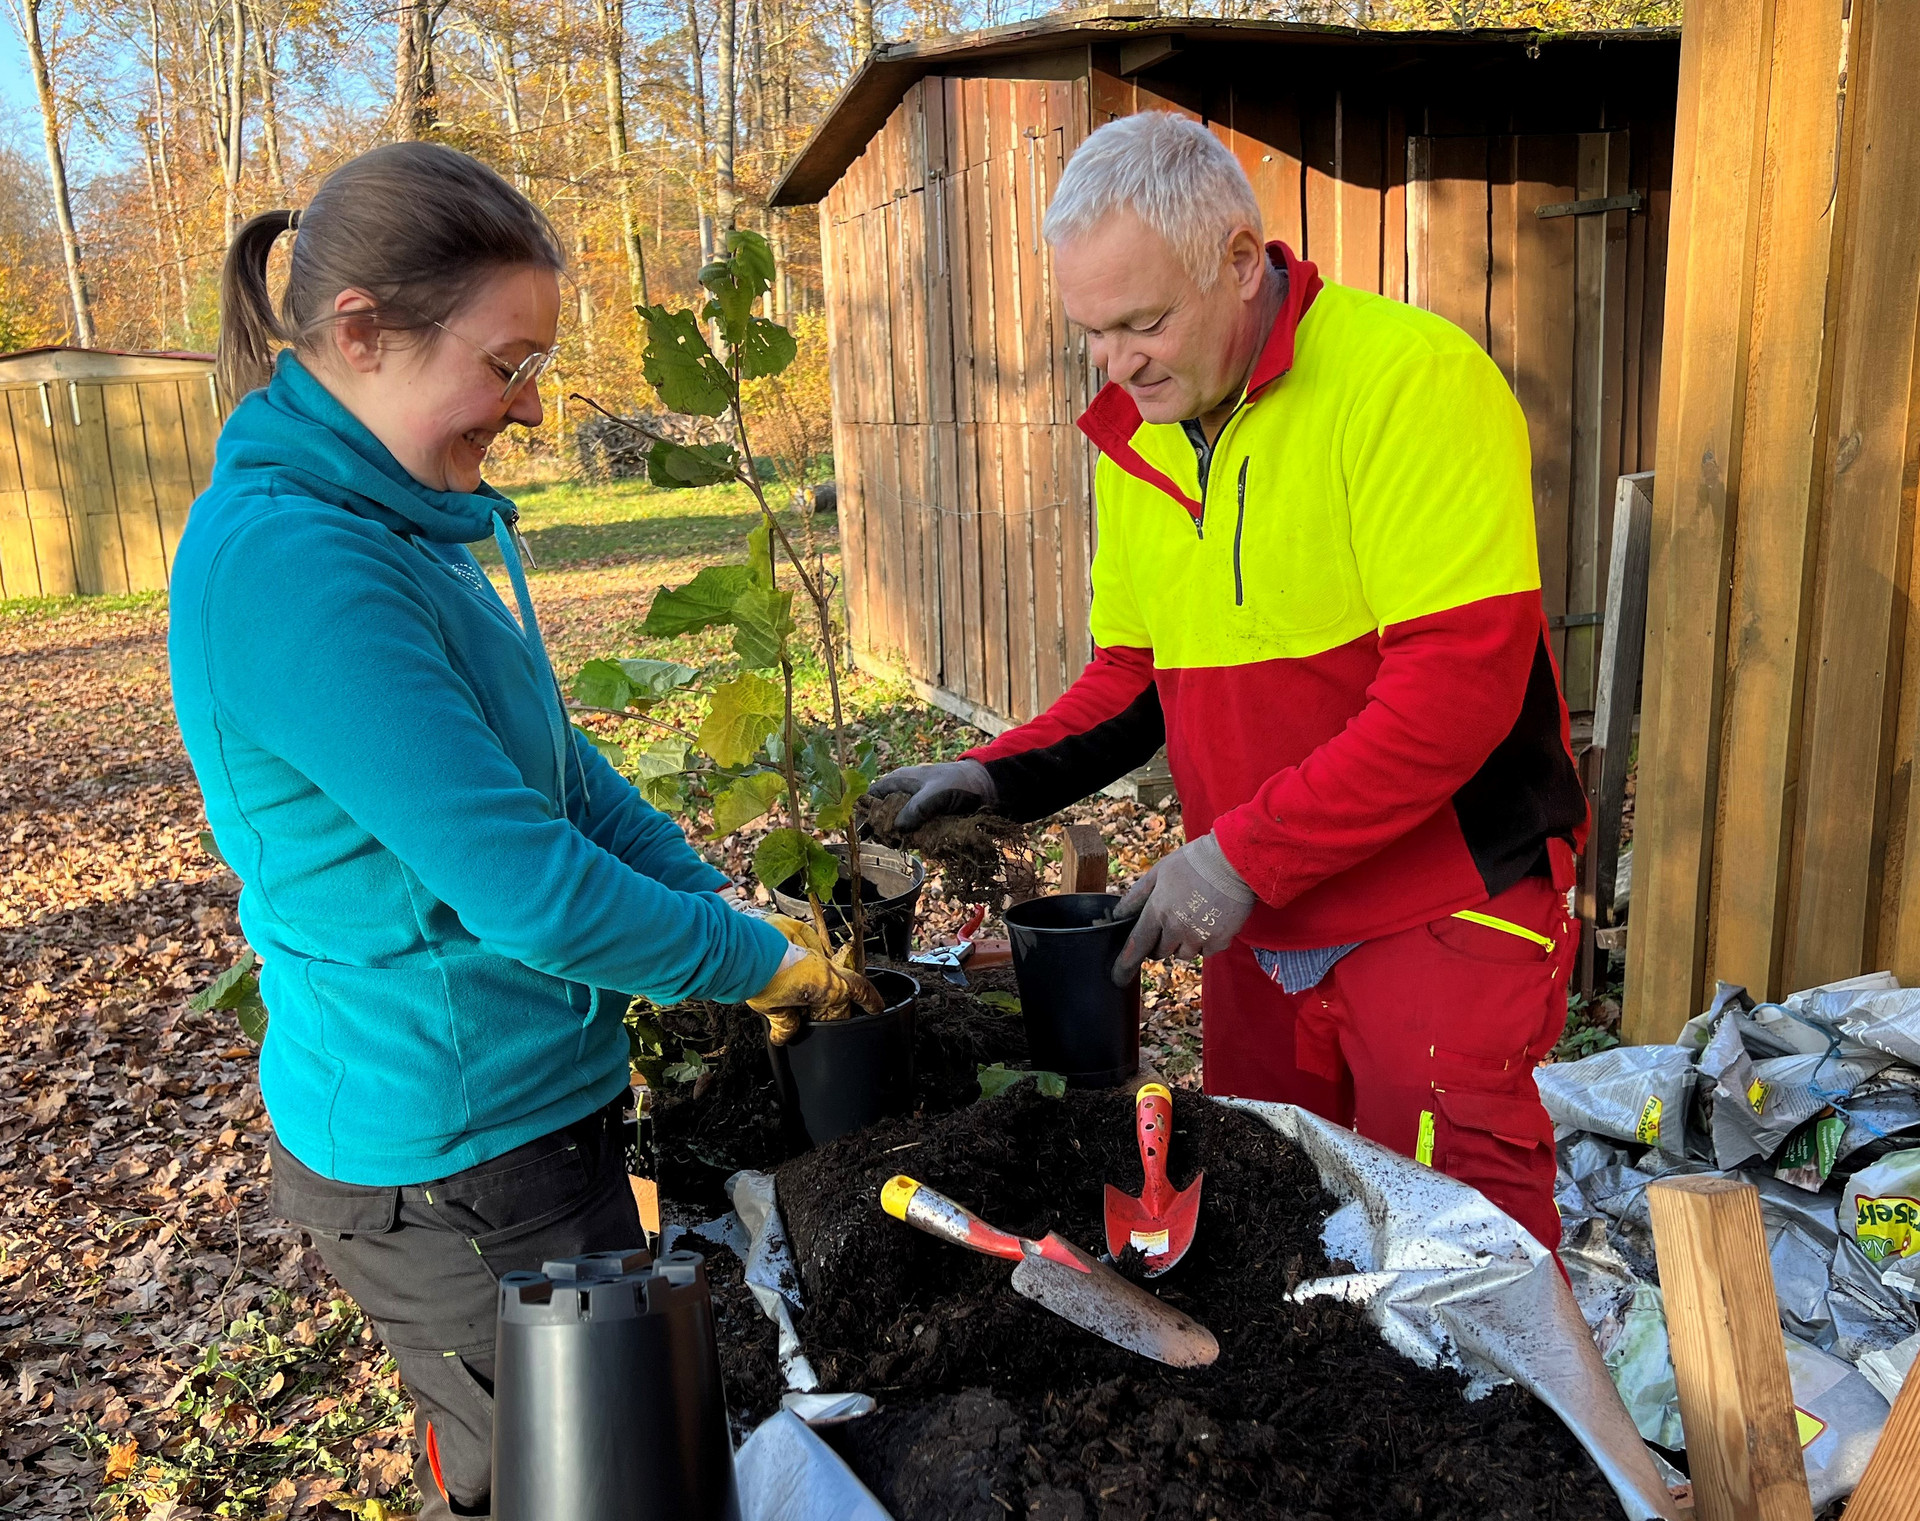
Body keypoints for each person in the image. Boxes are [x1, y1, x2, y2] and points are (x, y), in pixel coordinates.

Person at [169, 143, 874, 1519]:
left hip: (523, 1117)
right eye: (506, 364)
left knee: (626, 1457)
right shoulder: (295, 563)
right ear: (363, 331)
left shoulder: (397, 527)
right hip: (451, 1152)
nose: (534, 409)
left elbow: (563, 777)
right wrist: (753, 967)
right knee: (564, 1488)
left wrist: (733, 916)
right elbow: (535, 889)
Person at [871, 112, 1586, 1252]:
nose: (1118, 362)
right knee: (1282, 1210)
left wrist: (1243, 856)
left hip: (1437, 899)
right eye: (1091, 332)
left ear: (1242, 263)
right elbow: (1136, 682)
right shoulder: (1139, 439)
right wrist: (992, 777)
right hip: (1258, 918)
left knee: (1461, 1237)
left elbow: (1456, 690)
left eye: (1144, 322)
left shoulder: (1410, 383)